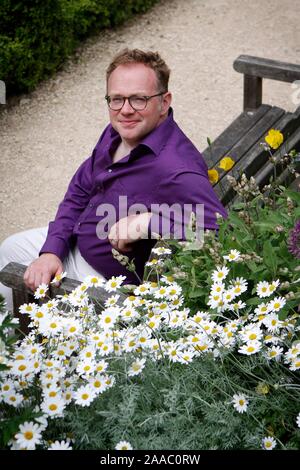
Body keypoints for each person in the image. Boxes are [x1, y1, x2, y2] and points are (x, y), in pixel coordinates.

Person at [0, 48, 227, 311]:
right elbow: (80, 190)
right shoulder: (116, 133)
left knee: (13, 266)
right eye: (116, 99)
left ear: (164, 102)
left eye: (139, 99)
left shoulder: (175, 168)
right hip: (76, 241)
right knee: (10, 249)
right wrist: (52, 250)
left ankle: (17, 340)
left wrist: (148, 222)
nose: (126, 110)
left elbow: (217, 231)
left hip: (108, 285)